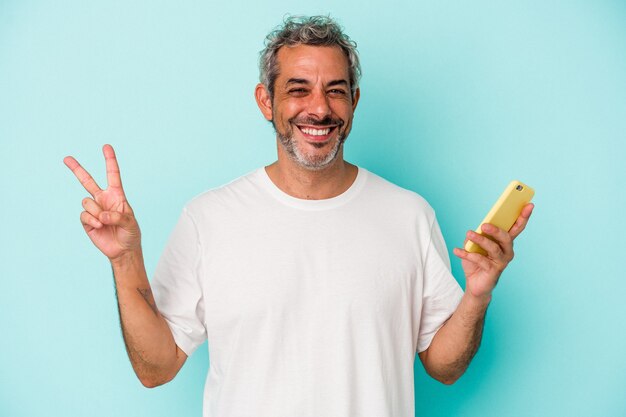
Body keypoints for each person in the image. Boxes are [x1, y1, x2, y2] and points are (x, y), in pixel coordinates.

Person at [64, 15, 533, 417]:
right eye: (298, 89)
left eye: (336, 90)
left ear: (354, 102)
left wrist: (476, 295)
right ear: (266, 101)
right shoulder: (209, 218)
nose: (319, 108)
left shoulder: (409, 214)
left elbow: (443, 366)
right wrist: (125, 259)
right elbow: (156, 367)